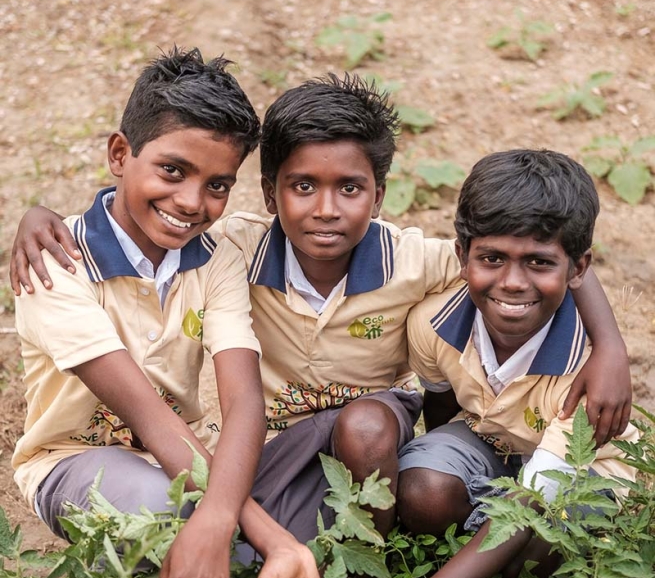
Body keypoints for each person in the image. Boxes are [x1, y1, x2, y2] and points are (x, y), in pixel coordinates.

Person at [10, 78, 633, 551]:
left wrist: (608, 348)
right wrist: (38, 216)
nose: (326, 210)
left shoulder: (413, 259)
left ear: (379, 195)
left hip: (369, 429)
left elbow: (524, 253)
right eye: (303, 186)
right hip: (275, 438)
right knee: (237, 538)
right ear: (270, 192)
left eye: (351, 189)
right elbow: (135, 219)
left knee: (359, 428)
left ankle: (374, 554)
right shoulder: (232, 247)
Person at [11, 47, 323, 578]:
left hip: (181, 459)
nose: (190, 202)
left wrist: (225, 517)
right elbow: (148, 419)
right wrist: (239, 525)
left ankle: (245, 564)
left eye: (217, 185)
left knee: (321, 441)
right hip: (73, 461)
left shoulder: (216, 259)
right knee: (171, 510)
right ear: (119, 155)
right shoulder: (56, 265)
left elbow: (245, 403)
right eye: (173, 171)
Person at [368, 149, 639, 578]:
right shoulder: (433, 324)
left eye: (539, 263)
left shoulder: (588, 371)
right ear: (463, 256)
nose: (513, 283)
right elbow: (441, 404)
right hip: (495, 438)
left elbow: (532, 500)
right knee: (424, 489)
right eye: (492, 259)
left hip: (577, 475)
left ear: (578, 269)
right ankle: (475, 554)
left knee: (541, 547)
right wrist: (445, 473)